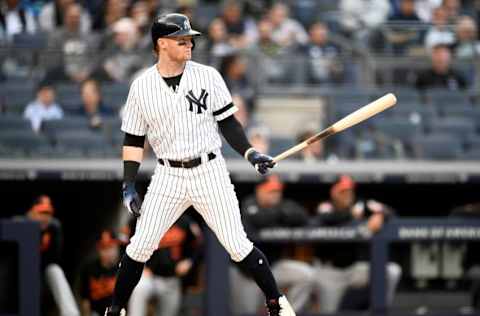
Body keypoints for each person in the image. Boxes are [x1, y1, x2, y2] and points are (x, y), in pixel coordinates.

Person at [104, 13, 295, 316]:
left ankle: (276, 303)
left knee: (237, 244)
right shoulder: (141, 87)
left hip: (209, 171)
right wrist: (128, 183)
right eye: (182, 39)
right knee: (139, 246)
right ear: (162, 44)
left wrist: (250, 153)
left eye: (190, 39)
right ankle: (115, 310)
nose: (189, 44)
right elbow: (133, 141)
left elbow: (229, 124)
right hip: (167, 174)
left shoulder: (207, 75)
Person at [312, 175, 402, 313]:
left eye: (349, 191)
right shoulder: (326, 206)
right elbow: (326, 218)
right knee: (328, 312)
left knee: (391, 271)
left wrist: (380, 215)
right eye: (343, 191)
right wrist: (351, 214)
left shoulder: (361, 205)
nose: (347, 195)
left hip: (354, 269)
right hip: (330, 272)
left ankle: (381, 310)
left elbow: (390, 211)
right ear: (334, 193)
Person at [231, 175, 315, 315]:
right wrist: (280, 215)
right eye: (271, 192)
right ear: (259, 191)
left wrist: (277, 213)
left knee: (306, 275)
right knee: (246, 311)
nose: (275, 196)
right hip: (246, 274)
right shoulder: (248, 204)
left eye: (277, 192)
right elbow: (259, 219)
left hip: (272, 267)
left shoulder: (282, 205)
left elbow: (302, 216)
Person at [128, 215, 203, 316]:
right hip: (150, 276)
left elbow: (199, 244)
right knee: (139, 289)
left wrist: (189, 261)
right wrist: (139, 265)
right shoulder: (150, 216)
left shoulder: (185, 221)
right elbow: (129, 241)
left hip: (172, 279)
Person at [17, 195, 80, 316]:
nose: (45, 217)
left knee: (55, 270)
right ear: (31, 212)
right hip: (19, 275)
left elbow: (55, 259)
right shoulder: (19, 225)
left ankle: (71, 313)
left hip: (42, 272)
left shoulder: (54, 228)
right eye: (41, 212)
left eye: (48, 213)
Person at [79, 230, 121, 316]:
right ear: (98, 249)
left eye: (111, 247)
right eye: (104, 248)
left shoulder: (125, 268)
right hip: (96, 313)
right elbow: (85, 300)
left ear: (117, 247)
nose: (108, 252)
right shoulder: (89, 268)